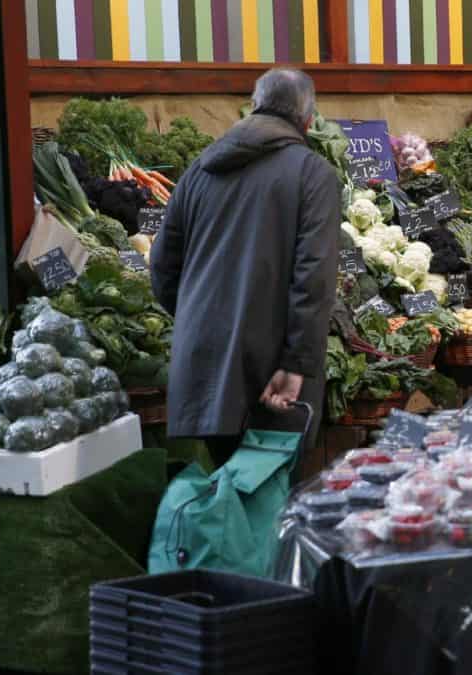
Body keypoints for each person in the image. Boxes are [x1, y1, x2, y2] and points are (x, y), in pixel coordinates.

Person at [151, 68, 340, 465]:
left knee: (226, 495)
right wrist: (297, 364)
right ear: (307, 120)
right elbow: (314, 279)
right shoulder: (312, 174)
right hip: (269, 374)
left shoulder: (199, 170)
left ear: (254, 106)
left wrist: (198, 324)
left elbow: (163, 267)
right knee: (267, 502)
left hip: (203, 367)